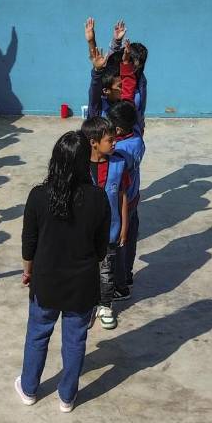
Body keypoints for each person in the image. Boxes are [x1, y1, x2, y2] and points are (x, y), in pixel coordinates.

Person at [15, 131, 110, 413]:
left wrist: (28, 271)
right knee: (75, 339)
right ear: (85, 163)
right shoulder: (98, 198)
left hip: (46, 281)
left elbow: (28, 242)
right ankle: (67, 396)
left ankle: (30, 389)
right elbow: (101, 247)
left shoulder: (39, 196)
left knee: (37, 334)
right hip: (81, 284)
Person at [82, 116, 130, 331]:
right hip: (83, 234)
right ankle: (87, 304)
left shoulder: (119, 164)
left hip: (110, 231)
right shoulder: (80, 165)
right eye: (110, 140)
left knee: (106, 270)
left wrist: (124, 226)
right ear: (93, 142)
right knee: (85, 270)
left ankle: (106, 305)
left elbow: (122, 196)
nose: (114, 143)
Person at [110, 100, 144, 293]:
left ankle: (120, 286)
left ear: (119, 129)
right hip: (133, 199)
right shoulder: (137, 136)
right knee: (129, 241)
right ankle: (127, 276)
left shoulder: (122, 153)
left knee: (120, 244)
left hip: (122, 203)